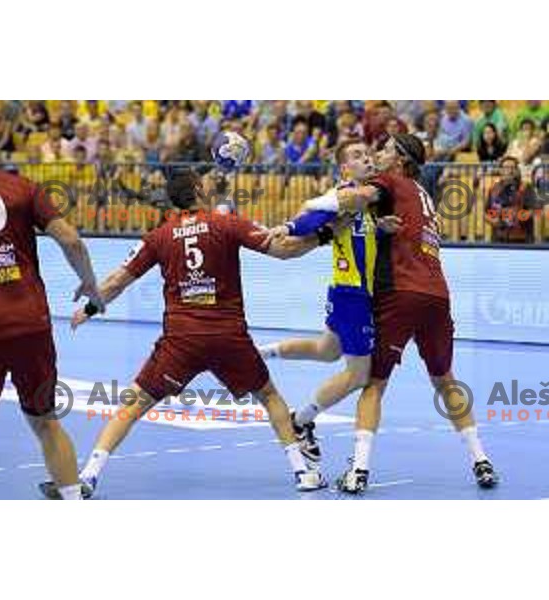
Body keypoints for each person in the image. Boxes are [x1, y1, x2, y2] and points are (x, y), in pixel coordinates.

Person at [40, 168, 327, 499]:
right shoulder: (228, 223)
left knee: (132, 405)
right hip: (227, 336)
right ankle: (304, 474)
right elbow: (285, 249)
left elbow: (118, 280)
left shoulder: (159, 236)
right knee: (270, 397)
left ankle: (88, 477)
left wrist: (89, 309)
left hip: (182, 340)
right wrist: (324, 236)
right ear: (197, 191)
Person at [304, 133, 498, 493]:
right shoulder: (424, 195)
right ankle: (481, 461)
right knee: (446, 380)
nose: (378, 153)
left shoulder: (390, 181)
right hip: (438, 295)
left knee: (373, 384)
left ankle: (359, 470)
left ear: (401, 159)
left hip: (400, 294)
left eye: (386, 148)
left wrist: (312, 204)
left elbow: (354, 197)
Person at [0, 114, 105, 499]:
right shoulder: (21, 187)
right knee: (46, 421)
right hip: (31, 323)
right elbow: (72, 241)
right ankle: (72, 501)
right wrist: (88, 282)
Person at [258, 141, 400, 462]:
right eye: (356, 156)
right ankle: (300, 421)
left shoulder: (365, 201)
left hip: (344, 291)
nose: (366, 158)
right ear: (344, 169)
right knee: (359, 375)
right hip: (354, 295)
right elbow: (316, 216)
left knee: (326, 351)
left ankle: (262, 352)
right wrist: (289, 226)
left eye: (366, 154)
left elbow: (355, 236)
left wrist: (379, 229)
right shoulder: (346, 195)